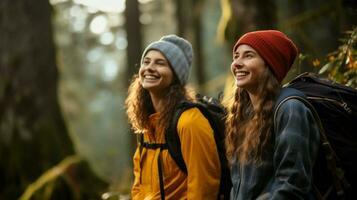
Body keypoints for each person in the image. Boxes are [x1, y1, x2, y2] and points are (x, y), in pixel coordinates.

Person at [225, 30, 320, 199]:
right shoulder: (243, 114)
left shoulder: (291, 109)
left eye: (248, 56)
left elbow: (292, 185)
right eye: (236, 56)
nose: (237, 63)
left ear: (270, 64)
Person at [125, 34, 221, 199]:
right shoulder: (147, 123)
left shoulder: (190, 121)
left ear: (176, 75)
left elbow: (203, 188)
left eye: (160, 63)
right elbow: (139, 186)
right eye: (146, 62)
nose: (149, 67)